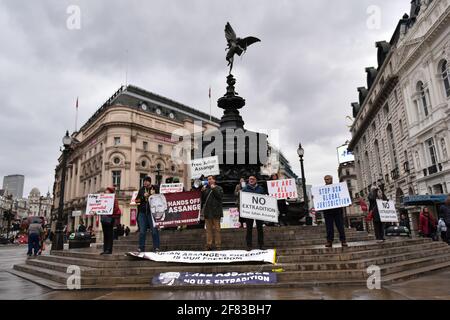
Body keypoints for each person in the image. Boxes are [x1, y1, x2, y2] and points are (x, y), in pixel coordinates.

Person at [135, 176, 160, 252]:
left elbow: (160, 198)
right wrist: (142, 197)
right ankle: (141, 248)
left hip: (152, 213)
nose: (144, 182)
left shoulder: (155, 188)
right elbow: (136, 201)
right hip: (142, 213)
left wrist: (154, 194)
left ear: (150, 182)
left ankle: (156, 247)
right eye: (144, 181)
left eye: (146, 181)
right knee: (142, 231)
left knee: (154, 230)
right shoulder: (141, 190)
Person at [322, 175, 348, 248]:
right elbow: (320, 198)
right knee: (329, 227)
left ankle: (343, 241)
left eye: (328, 179)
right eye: (325, 179)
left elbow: (343, 196)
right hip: (327, 211)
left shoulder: (337, 188)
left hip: (337, 210)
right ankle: (329, 241)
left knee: (340, 226)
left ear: (331, 179)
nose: (327, 181)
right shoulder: (322, 190)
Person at [242, 175, 266, 250]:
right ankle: (249, 245)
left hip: (259, 212)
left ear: (256, 180)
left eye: (252, 179)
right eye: (250, 179)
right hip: (249, 212)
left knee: (260, 228)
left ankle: (261, 244)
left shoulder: (261, 189)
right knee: (249, 229)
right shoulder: (245, 189)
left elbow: (265, 199)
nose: (251, 180)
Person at [201, 175, 224, 250]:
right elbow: (203, 200)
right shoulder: (206, 189)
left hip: (216, 212)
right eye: (208, 179)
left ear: (214, 180)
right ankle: (209, 245)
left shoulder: (219, 188)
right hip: (208, 213)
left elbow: (219, 197)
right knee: (208, 230)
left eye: (210, 179)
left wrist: (214, 189)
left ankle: (218, 245)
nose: (209, 181)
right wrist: (202, 192)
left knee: (217, 230)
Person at [100, 186, 122, 254]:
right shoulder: (103, 199)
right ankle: (105, 249)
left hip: (110, 217)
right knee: (105, 234)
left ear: (110, 192)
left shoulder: (114, 199)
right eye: (105, 191)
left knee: (109, 234)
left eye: (107, 191)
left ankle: (109, 249)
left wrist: (109, 212)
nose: (106, 192)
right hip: (104, 218)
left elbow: (116, 208)